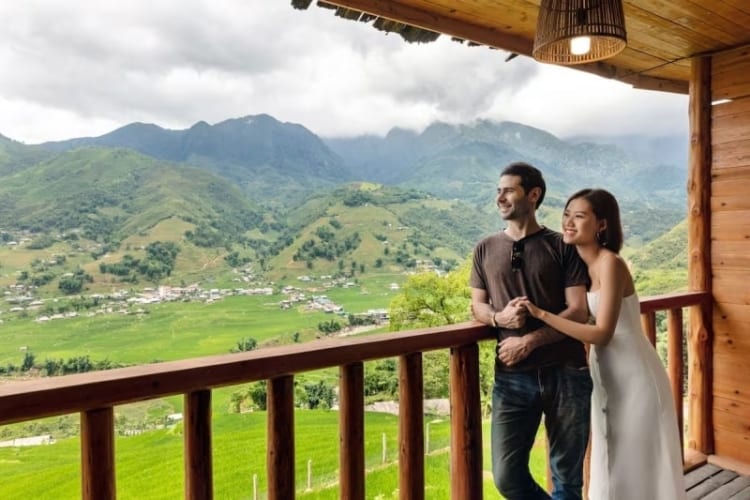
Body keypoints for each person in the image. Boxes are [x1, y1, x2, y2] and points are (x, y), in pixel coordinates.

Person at [518, 188, 686, 499]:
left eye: (579, 216)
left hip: (634, 371)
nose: (569, 222)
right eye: (566, 214)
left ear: (602, 225)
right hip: (603, 369)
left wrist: (542, 315)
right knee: (610, 453)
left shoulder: (611, 263)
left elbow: (603, 332)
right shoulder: (578, 266)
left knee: (636, 460)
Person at [470, 162, 593, 500]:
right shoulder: (484, 248)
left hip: (566, 372)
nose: (500, 197)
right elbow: (477, 306)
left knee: (567, 479)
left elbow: (579, 311)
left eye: (508, 190)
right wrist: (499, 320)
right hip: (512, 378)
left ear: (534, 195)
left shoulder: (563, 247)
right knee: (507, 477)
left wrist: (530, 340)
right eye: (499, 190)